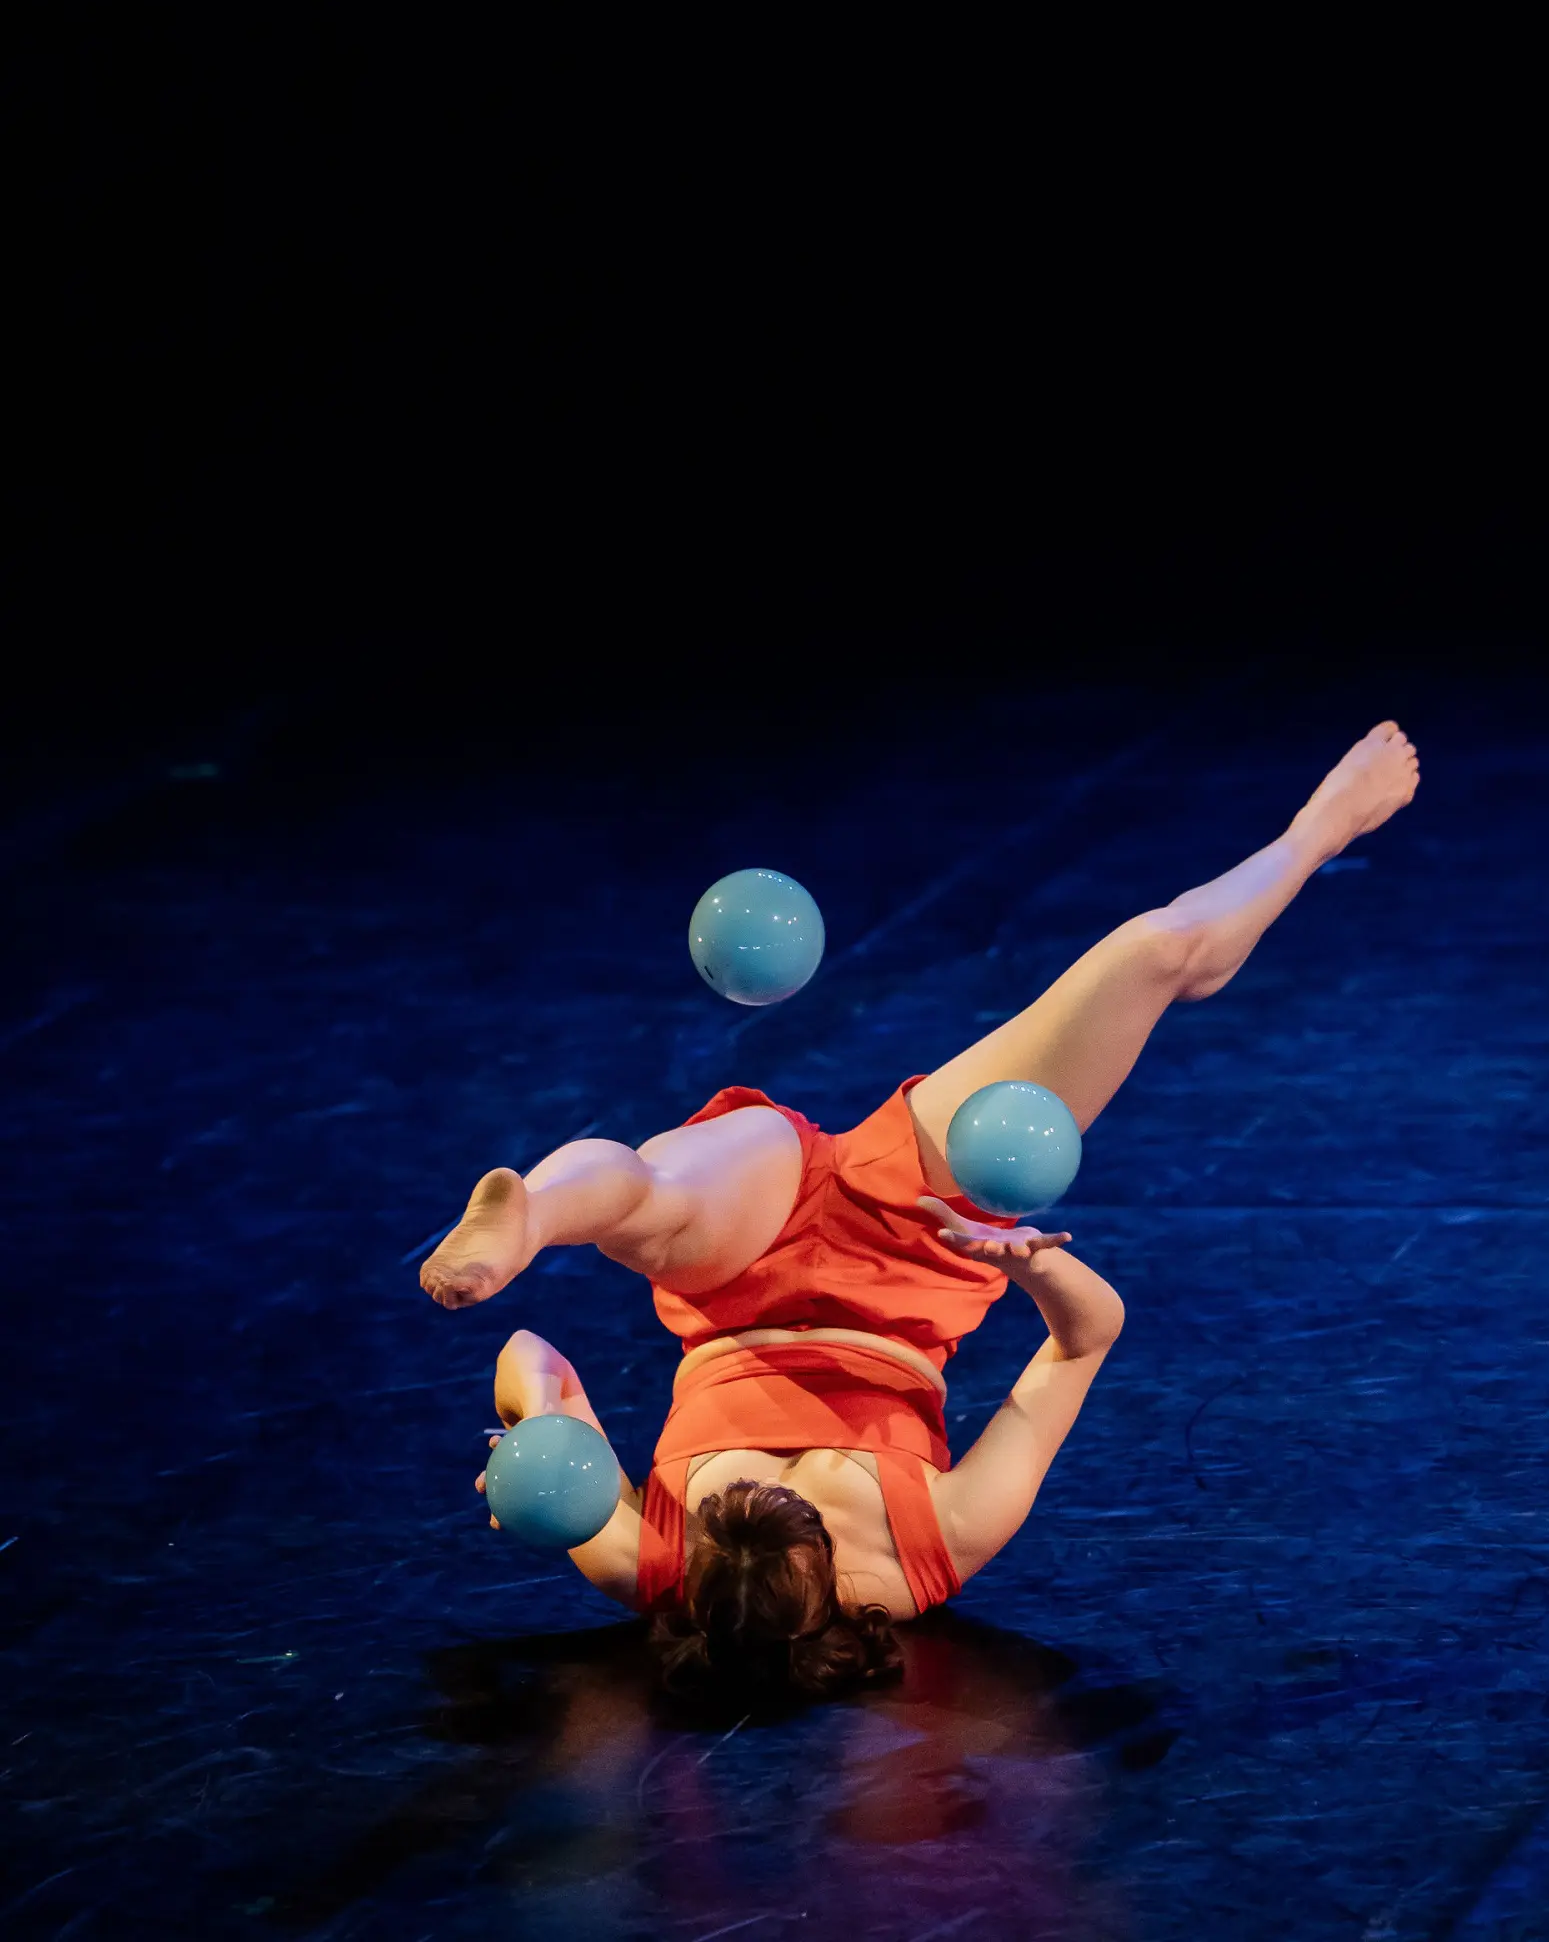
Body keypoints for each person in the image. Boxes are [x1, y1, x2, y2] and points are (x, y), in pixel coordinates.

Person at [420, 722, 1419, 1703]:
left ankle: (526, 1217)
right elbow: (1086, 1342)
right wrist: (1021, 1258)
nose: (769, 1493)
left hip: (734, 1270)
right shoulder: (934, 1548)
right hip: (921, 1251)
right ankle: (1315, 832)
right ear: (829, 1593)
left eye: (732, 1513)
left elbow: (530, 1350)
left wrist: (528, 1431)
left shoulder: (642, 1563)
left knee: (646, 1195)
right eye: (791, 1515)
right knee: (1156, 952)